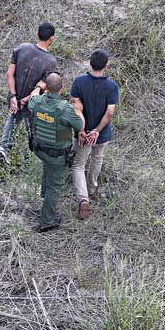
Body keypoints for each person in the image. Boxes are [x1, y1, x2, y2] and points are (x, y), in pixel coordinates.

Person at [0, 22, 58, 165]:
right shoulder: (51, 62)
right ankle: (31, 156)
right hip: (32, 102)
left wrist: (13, 96)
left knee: (14, 118)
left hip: (14, 96)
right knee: (34, 127)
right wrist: (26, 99)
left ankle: (4, 148)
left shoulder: (22, 48)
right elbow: (43, 85)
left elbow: (9, 73)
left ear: (37, 34)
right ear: (52, 38)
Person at [28, 73, 84, 232]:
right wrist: (78, 109)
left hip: (40, 149)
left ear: (47, 86)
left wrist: (39, 87)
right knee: (55, 186)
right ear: (61, 88)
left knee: (48, 171)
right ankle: (47, 221)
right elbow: (80, 125)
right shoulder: (66, 109)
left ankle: (45, 200)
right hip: (57, 155)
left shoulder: (37, 102)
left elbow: (33, 97)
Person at [70, 49, 119, 220]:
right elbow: (110, 113)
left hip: (82, 134)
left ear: (90, 63)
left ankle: (83, 200)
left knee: (78, 165)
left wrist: (83, 131)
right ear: (106, 66)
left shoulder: (79, 82)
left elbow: (76, 109)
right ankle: (92, 190)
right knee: (97, 159)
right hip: (101, 134)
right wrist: (97, 131)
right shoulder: (111, 86)